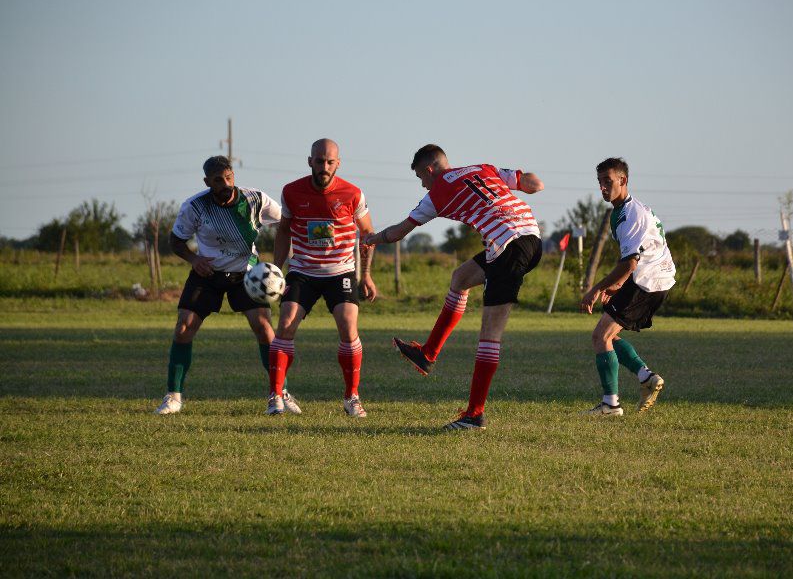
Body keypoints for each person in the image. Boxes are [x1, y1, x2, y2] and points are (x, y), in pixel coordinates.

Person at [364, 144, 543, 430]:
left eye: (421, 178)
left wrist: (373, 238)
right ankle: (428, 353)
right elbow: (535, 184)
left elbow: (399, 232)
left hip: (508, 248)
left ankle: (474, 415)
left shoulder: (435, 194)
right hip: (531, 239)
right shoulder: (483, 168)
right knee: (460, 278)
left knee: (490, 334)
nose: (422, 184)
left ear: (430, 170)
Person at [155, 155, 297, 414]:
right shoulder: (195, 206)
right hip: (207, 273)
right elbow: (175, 241)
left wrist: (278, 264)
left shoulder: (256, 199)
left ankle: (280, 393)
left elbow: (286, 224)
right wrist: (194, 259)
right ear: (207, 181)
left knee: (264, 329)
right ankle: (173, 397)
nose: (226, 184)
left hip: (246, 275)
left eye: (229, 178)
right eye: (219, 180)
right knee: (183, 328)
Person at [267, 138, 378, 416]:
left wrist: (366, 275)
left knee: (348, 324)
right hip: (303, 271)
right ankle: (275, 396)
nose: (324, 167)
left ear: (338, 163)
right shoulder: (291, 192)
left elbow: (367, 235)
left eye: (330, 162)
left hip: (340, 271)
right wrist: (277, 271)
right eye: (319, 161)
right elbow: (283, 231)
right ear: (310, 162)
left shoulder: (353, 194)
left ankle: (351, 397)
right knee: (286, 323)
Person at [580, 158, 676, 416]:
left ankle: (610, 404)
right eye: (599, 182)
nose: (602, 187)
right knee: (609, 336)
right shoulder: (626, 210)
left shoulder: (629, 215)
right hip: (654, 278)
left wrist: (596, 289)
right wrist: (619, 284)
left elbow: (630, 263)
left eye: (607, 181)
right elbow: (636, 256)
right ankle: (647, 378)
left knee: (600, 337)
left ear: (623, 180)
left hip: (647, 280)